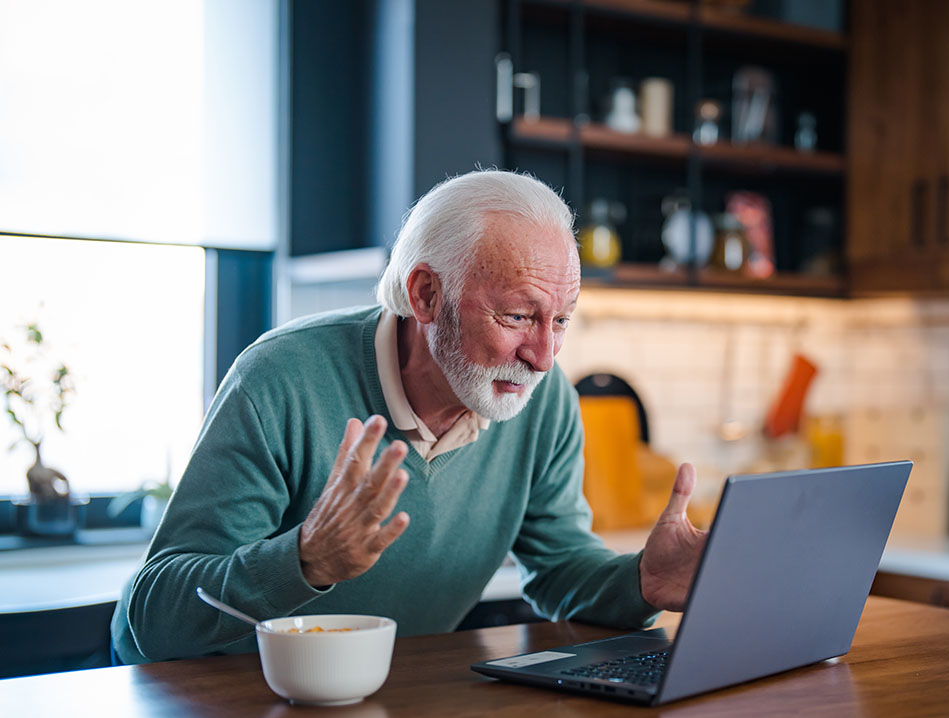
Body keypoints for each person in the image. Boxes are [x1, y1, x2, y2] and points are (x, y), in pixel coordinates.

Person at [110, 170, 708, 664]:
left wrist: (641, 583)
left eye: (562, 320)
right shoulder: (279, 378)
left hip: (378, 703)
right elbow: (155, 618)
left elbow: (560, 568)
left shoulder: (542, 401)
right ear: (425, 295)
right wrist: (304, 561)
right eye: (519, 317)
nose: (544, 358)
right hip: (205, 708)